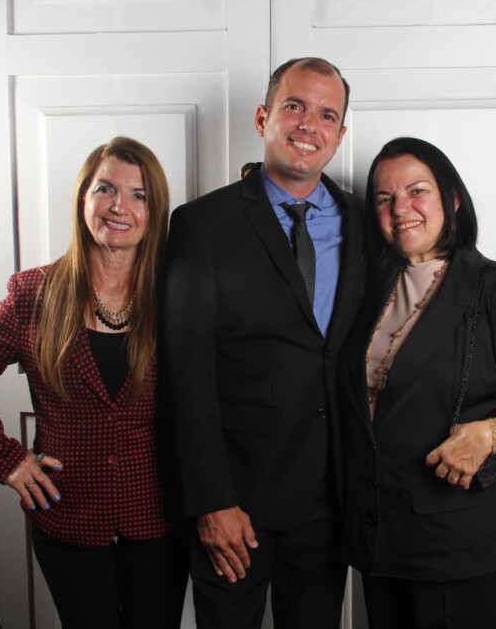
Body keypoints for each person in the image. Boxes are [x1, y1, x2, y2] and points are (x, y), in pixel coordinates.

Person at [338, 137, 496, 628]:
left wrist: (489, 434)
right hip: (386, 545)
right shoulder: (368, 293)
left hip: (477, 547)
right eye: (384, 198)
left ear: (452, 199)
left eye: (417, 191)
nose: (400, 208)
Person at [0, 137, 188, 629]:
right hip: (68, 516)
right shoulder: (34, 294)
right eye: (106, 189)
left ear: (154, 211)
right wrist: (7, 460)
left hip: (159, 517)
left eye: (139, 195)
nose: (119, 206)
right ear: (83, 199)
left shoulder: (176, 294)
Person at [161, 57, 365, 629]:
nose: (309, 125)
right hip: (237, 500)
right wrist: (210, 500)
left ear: (339, 135)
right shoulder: (201, 224)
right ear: (262, 117)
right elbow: (185, 374)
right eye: (294, 106)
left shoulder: (362, 222)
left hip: (330, 501)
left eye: (327, 115)